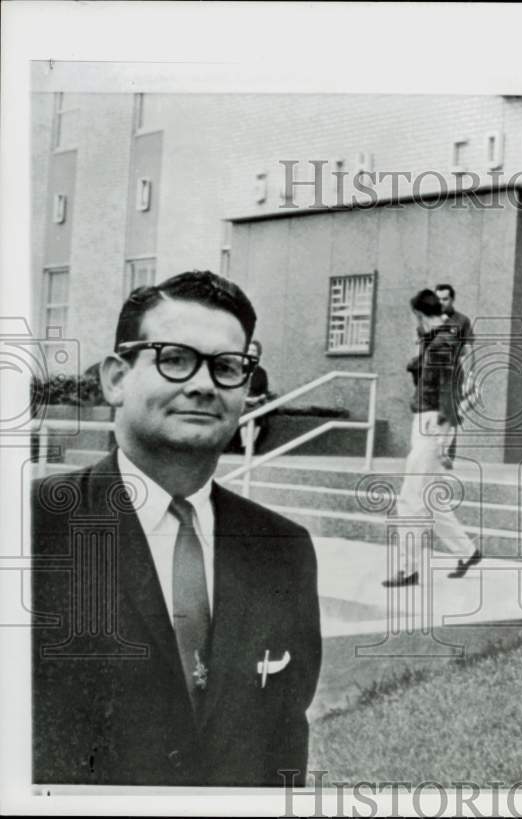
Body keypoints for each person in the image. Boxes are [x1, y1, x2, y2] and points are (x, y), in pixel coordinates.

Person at [32, 271, 322, 786]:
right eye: (175, 358)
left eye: (228, 366)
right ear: (116, 379)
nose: (204, 384)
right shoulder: (33, 531)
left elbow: (283, 750)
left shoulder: (283, 550)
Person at [383, 289, 481, 587]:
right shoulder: (439, 339)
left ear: (420, 314)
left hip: (432, 422)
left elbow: (451, 392)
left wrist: (443, 439)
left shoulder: (441, 343)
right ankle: (467, 551)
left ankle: (408, 568)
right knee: (431, 497)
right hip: (428, 420)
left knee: (410, 498)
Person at [434, 283, 474, 469]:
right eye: (438, 299)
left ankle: (447, 455)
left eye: (445, 299)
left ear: (452, 299)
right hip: (432, 375)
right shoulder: (430, 320)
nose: (441, 302)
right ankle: (435, 454)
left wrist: (471, 374)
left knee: (451, 413)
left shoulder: (462, 321)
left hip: (453, 374)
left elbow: (469, 349)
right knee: (434, 414)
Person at [238, 339, 272, 452]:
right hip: (242, 400)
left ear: (258, 354)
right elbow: (236, 388)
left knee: (259, 413)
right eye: (249, 350)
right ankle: (246, 444)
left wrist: (258, 398)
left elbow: (264, 391)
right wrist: (245, 398)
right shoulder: (239, 369)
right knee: (246, 412)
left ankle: (249, 445)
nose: (251, 353)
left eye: (254, 351)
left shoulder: (262, 372)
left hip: (256, 401)